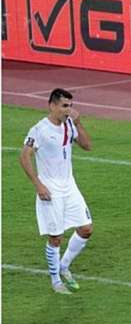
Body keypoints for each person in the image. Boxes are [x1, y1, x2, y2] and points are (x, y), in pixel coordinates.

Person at [20, 88, 94, 294]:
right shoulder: (39, 130)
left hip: (69, 186)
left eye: (70, 106)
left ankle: (64, 266)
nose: (68, 110)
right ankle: (56, 282)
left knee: (86, 229)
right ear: (52, 105)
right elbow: (24, 156)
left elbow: (88, 146)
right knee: (55, 237)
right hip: (50, 189)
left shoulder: (70, 124)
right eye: (64, 106)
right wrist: (38, 185)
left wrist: (78, 122)